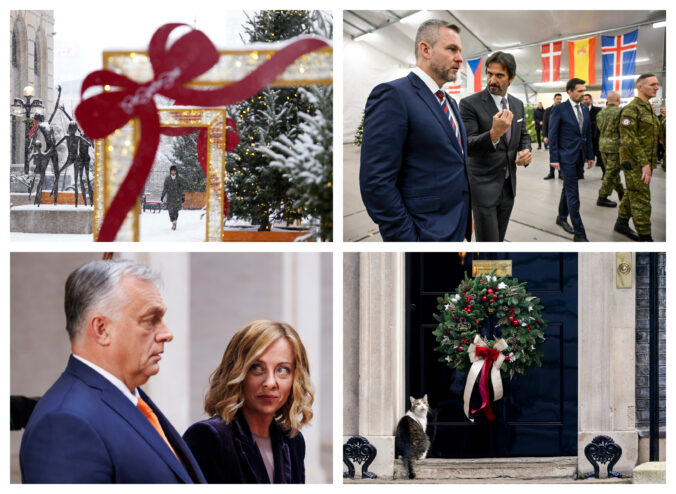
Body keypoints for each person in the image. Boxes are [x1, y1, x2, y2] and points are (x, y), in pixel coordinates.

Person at [19, 260, 206, 483]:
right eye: (151, 320)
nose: (167, 333)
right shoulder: (64, 424)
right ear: (101, 329)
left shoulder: (130, 398)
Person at [359, 19, 471, 241]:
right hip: (423, 233)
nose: (459, 58)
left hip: (456, 225)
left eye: (460, 51)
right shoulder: (393, 95)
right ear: (425, 49)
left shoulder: (450, 102)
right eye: (451, 49)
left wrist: (465, 214)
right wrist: (407, 239)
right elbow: (376, 182)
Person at [183, 320, 314, 483]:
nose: (270, 382)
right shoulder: (208, 437)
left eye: (282, 370)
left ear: (295, 377)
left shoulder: (293, 440)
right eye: (257, 367)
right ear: (238, 372)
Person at [459, 51, 532, 241]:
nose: (492, 80)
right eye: (489, 74)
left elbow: (524, 134)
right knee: (488, 243)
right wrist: (494, 134)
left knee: (498, 240)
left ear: (511, 78)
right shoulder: (469, 104)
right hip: (483, 187)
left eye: (499, 76)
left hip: (508, 186)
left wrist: (526, 150)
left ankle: (495, 270)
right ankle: (485, 271)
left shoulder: (517, 105)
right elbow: (468, 144)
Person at [616, 73, 661, 242]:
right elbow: (629, 139)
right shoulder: (631, 109)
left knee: (633, 192)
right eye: (652, 84)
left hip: (645, 160)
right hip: (634, 162)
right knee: (642, 199)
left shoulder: (648, 108)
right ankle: (645, 237)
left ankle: (621, 222)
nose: (656, 87)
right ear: (640, 87)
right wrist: (644, 164)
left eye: (657, 84)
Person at [549, 78, 595, 242]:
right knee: (573, 194)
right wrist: (554, 158)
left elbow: (587, 133)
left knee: (568, 188)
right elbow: (553, 134)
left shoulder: (584, 108)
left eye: (584, 90)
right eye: (580, 91)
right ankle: (579, 233)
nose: (583, 94)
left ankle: (561, 217)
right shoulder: (559, 109)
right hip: (566, 157)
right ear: (570, 91)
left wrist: (590, 155)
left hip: (580, 157)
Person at [596, 91, 627, 213]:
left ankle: (620, 192)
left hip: (603, 146)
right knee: (611, 172)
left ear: (607, 101)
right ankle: (602, 197)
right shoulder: (621, 112)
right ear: (618, 99)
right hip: (615, 147)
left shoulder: (600, 113)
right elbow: (624, 128)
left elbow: (599, 128)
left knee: (612, 171)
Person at [161, 165, 189, 231]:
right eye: (172, 171)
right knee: (170, 211)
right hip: (170, 198)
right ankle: (173, 221)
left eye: (174, 171)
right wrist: (162, 196)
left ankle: (174, 222)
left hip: (177, 198)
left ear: (176, 171)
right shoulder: (167, 179)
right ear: (170, 172)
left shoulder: (179, 179)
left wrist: (183, 196)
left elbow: (183, 188)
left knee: (176, 211)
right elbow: (165, 188)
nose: (173, 172)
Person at [583, 93, 603, 178]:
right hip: (584, 138)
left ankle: (604, 173)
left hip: (595, 138)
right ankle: (580, 173)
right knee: (581, 156)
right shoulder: (580, 110)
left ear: (591, 100)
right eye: (583, 99)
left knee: (600, 155)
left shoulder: (598, 110)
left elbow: (600, 123)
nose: (584, 101)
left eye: (586, 99)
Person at [543, 93, 562, 179]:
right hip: (551, 136)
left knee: (561, 155)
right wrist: (545, 136)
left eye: (560, 99)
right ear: (553, 99)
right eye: (557, 99)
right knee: (552, 154)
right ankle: (551, 173)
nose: (559, 100)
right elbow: (545, 124)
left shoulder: (563, 110)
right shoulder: (548, 110)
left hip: (561, 136)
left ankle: (561, 173)